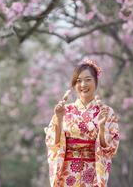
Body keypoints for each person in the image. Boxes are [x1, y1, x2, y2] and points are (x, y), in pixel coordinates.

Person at [44, 59, 120, 187]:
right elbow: (53, 145)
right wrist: (59, 119)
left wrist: (101, 128)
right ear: (74, 85)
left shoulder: (106, 112)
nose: (83, 84)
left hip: (93, 172)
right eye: (78, 81)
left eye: (88, 79)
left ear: (96, 82)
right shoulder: (64, 110)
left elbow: (110, 149)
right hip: (67, 172)